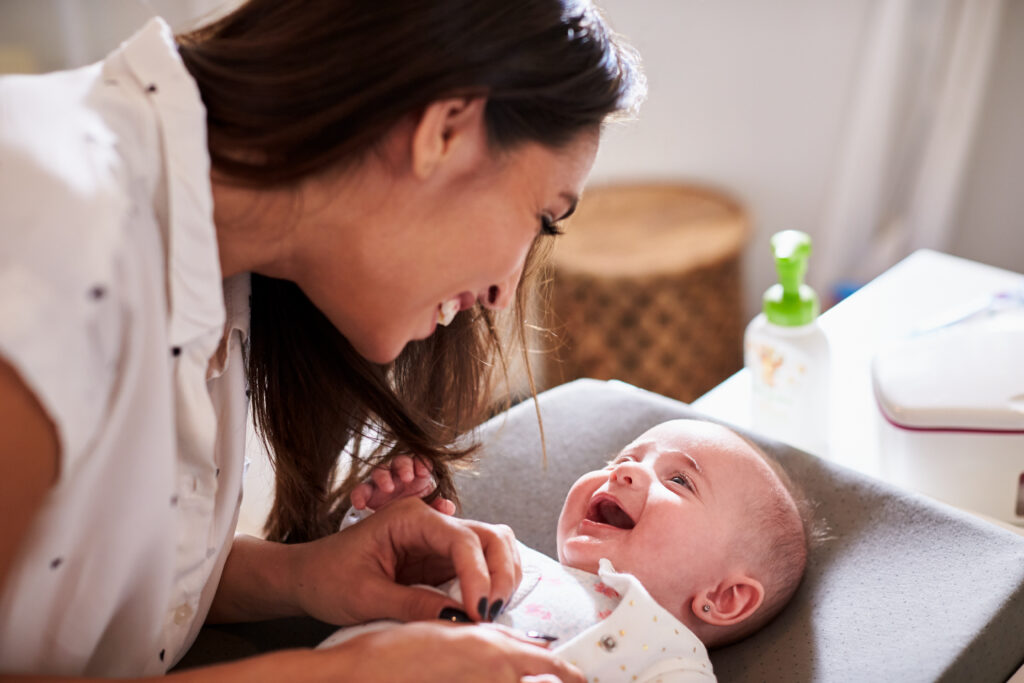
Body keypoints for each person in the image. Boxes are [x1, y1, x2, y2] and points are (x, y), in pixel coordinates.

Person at [0, 0, 644, 680]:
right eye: (543, 218)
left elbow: (69, 578)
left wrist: (300, 576)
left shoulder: (224, 269)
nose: (503, 294)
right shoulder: (55, 238)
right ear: (445, 131)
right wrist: (346, 673)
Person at [329, 418, 813, 682]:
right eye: (623, 459)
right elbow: (373, 587)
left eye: (680, 480)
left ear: (724, 597)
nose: (624, 472)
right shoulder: (512, 557)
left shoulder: (673, 658)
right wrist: (395, 526)